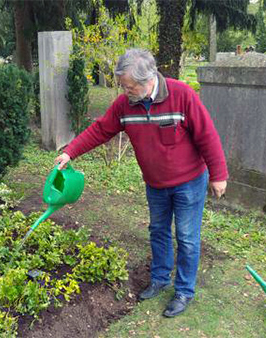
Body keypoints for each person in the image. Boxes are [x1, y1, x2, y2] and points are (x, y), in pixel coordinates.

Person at [54, 48, 228, 317]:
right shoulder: (125, 105)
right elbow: (100, 129)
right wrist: (70, 151)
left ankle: (183, 291)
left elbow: (207, 135)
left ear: (148, 81)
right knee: (158, 231)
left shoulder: (182, 95)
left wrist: (218, 175)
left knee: (187, 238)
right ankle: (159, 279)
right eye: (123, 85)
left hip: (189, 183)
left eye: (129, 86)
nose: (125, 91)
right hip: (155, 184)